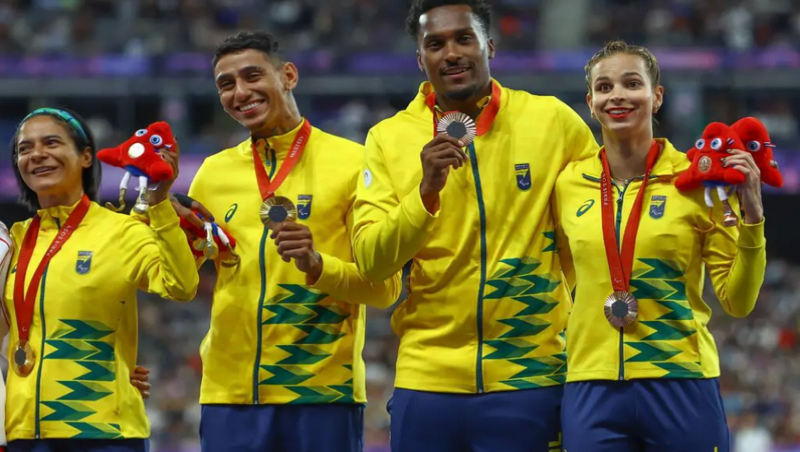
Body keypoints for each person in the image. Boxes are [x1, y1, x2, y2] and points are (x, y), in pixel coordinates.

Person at [352, 1, 598, 451]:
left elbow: (594, 230)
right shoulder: (388, 139)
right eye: (435, 44)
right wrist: (423, 194)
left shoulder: (553, 122)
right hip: (427, 382)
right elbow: (371, 260)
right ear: (420, 60)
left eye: (464, 38)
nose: (451, 53)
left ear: (489, 45)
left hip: (532, 377)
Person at [178, 31, 401, 452]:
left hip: (321, 395)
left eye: (252, 75)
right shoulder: (212, 174)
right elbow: (181, 280)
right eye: (226, 84)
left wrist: (319, 265)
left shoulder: (354, 164)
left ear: (289, 76)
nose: (240, 92)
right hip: (230, 397)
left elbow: (385, 289)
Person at [552, 41, 766, 451]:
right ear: (591, 103)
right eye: (604, 87)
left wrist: (753, 221)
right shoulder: (567, 185)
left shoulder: (699, 180)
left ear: (657, 97)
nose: (617, 95)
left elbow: (738, 301)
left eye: (632, 83)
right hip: (589, 384)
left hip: (681, 381)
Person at [2, 108, 198, 452]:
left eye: (51, 142)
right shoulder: (12, 241)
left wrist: (159, 202)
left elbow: (180, 286)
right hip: (24, 434)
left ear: (86, 156)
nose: (37, 154)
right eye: (24, 148)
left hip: (103, 434)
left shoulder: (121, 231)